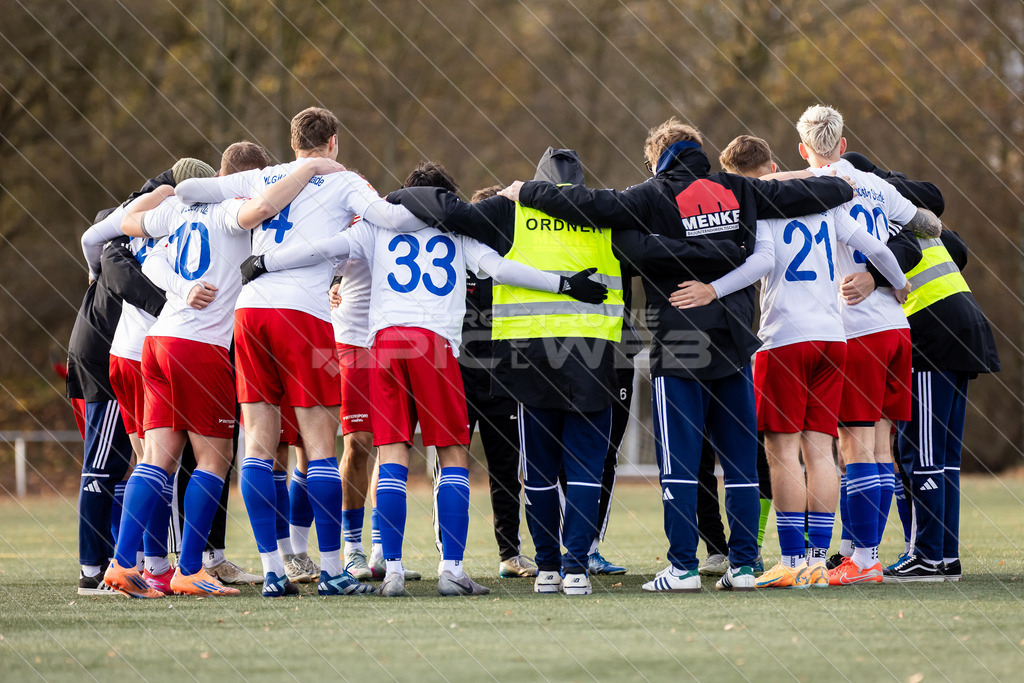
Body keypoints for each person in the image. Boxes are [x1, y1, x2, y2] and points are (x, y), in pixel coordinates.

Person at [502, 120, 856, 593]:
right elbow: (828, 191)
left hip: (679, 345)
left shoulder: (649, 195)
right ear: (698, 151)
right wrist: (747, 225)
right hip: (734, 343)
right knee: (739, 466)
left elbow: (589, 206)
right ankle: (745, 567)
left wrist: (528, 190)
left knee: (680, 465)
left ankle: (684, 568)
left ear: (656, 158)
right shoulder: (739, 189)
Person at [241, 159, 610, 597]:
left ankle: (392, 567)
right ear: (447, 197)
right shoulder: (456, 228)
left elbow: (321, 247)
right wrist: (564, 284)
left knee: (392, 455)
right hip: (435, 346)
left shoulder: (377, 225)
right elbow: (502, 269)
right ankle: (451, 570)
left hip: (383, 347)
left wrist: (265, 260)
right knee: (453, 455)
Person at [391, 147, 739, 595]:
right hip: (594, 358)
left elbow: (444, 208)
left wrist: (386, 201)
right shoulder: (605, 212)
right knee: (585, 470)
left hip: (530, 358)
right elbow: (661, 252)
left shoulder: (510, 210)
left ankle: (548, 570)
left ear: (535, 182)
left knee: (536, 472)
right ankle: (576, 569)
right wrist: (727, 254)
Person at [174, 107, 426, 598]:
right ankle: (331, 570)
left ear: (293, 143)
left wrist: (284, 176)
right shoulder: (345, 179)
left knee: (258, 449)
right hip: (302, 314)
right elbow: (390, 219)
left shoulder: (265, 176)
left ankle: (273, 571)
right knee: (318, 447)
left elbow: (187, 191)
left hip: (249, 312)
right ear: (333, 141)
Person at [103, 145, 344, 598]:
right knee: (214, 461)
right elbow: (266, 206)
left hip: (156, 342)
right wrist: (309, 166)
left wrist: (167, 190)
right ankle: (190, 568)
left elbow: (126, 220)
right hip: (199, 346)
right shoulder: (232, 210)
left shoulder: (176, 209)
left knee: (158, 460)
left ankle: (121, 564)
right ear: (244, 178)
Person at [672, 134, 910, 589]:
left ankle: (792, 560)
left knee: (783, 454)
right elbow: (877, 249)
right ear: (774, 162)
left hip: (784, 340)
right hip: (834, 337)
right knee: (822, 451)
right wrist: (896, 283)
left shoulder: (756, 204)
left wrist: (712, 290)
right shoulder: (825, 199)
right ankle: (820, 562)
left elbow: (761, 262)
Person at [791, 105, 943, 586]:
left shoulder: (814, 188)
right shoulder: (876, 185)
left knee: (855, 449)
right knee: (879, 448)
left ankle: (864, 557)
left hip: (856, 329)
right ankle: (865, 554)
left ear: (803, 148)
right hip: (897, 327)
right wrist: (889, 279)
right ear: (842, 139)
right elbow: (927, 229)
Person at [838, 153, 1000, 582]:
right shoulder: (909, 215)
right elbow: (958, 247)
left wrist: (875, 273)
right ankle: (943, 556)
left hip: (933, 337)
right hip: (963, 330)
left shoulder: (883, 222)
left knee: (920, 453)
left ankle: (928, 555)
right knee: (943, 457)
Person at [69, 158, 213, 596]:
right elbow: (95, 238)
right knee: (126, 465)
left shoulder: (141, 230)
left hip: (128, 351)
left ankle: (145, 566)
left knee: (147, 463)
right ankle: (99, 569)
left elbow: (99, 242)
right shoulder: (174, 228)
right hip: (134, 353)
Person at [453, 184, 536, 579]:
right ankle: (448, 556)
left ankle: (511, 554)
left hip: (506, 378)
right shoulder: (452, 259)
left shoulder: (514, 260)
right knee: (451, 466)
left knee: (506, 469)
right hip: (457, 377)